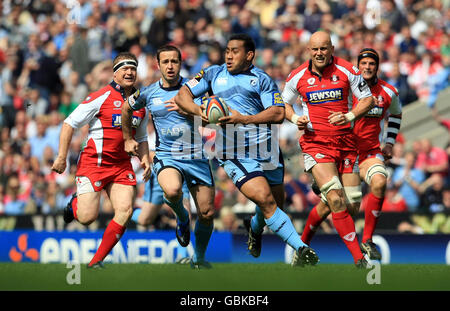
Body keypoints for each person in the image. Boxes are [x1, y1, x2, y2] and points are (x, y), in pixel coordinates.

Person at [174, 33, 319, 267]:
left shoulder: (261, 79)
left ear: (249, 55)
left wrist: (244, 119)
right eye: (227, 51)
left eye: (235, 51)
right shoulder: (212, 74)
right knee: (265, 200)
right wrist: (200, 112)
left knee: (274, 206)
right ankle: (301, 249)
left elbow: (278, 113)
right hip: (234, 151)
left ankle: (254, 227)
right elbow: (183, 95)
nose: (229, 56)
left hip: (267, 148)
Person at [297, 48, 403, 261]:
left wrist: (389, 142)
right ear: (358, 66)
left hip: (370, 153)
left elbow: (396, 114)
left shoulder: (388, 92)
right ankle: (302, 245)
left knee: (380, 182)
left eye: (371, 63)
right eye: (363, 63)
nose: (367, 67)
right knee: (332, 204)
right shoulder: (347, 87)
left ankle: (368, 241)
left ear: (377, 66)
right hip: (341, 152)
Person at [282, 31, 375, 267]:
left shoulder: (347, 71)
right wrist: (295, 118)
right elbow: (283, 104)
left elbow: (367, 99)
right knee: (335, 197)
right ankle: (359, 260)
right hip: (316, 143)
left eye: (324, 48)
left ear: (331, 49)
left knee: (349, 204)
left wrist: (349, 115)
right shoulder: (298, 76)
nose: (319, 53)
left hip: (346, 144)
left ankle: (301, 247)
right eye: (315, 49)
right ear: (308, 51)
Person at [51, 52, 151, 268]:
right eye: (124, 68)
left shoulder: (141, 103)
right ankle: (75, 203)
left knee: (125, 210)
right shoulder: (101, 96)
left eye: (133, 68)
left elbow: (141, 138)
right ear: (115, 74)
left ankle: (96, 262)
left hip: (121, 166)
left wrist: (146, 160)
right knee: (87, 218)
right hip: (94, 164)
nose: (129, 72)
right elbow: (69, 123)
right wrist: (61, 157)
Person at [122, 45, 216, 269]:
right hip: (167, 156)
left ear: (180, 63)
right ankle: (182, 217)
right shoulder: (148, 92)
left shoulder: (194, 89)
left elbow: (210, 118)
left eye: (174, 61)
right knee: (173, 191)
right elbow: (127, 108)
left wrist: (191, 110)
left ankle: (199, 260)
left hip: (196, 157)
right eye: (166, 62)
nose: (170, 66)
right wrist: (128, 138)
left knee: (207, 212)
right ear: (158, 64)